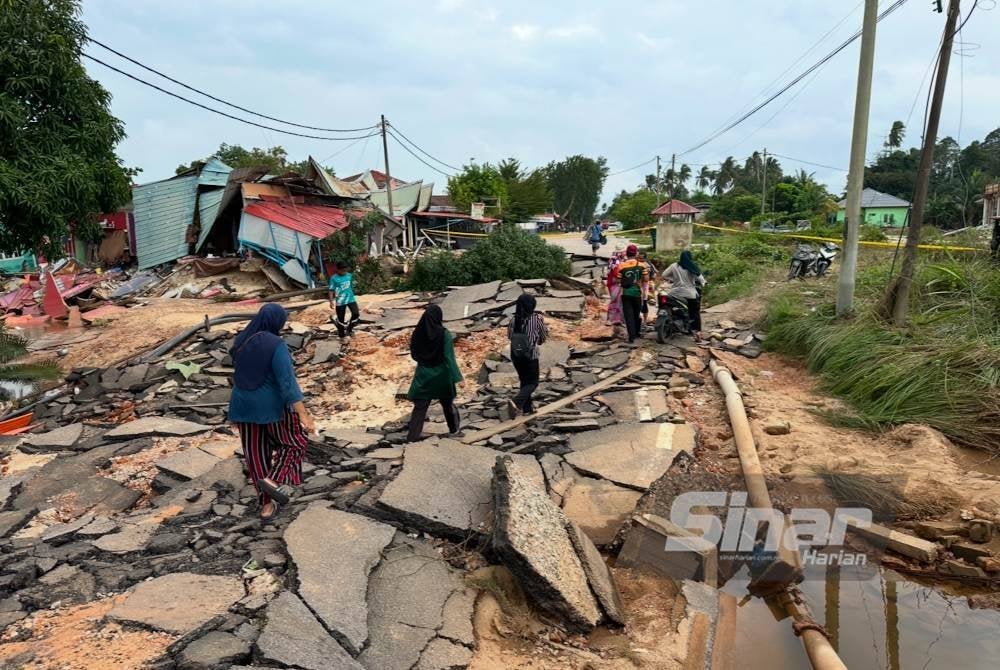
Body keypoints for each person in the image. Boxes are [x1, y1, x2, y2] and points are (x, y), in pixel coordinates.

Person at [228, 303, 316, 519]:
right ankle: (274, 480)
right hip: (271, 406)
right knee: (295, 442)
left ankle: (266, 506)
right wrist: (303, 414)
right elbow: (287, 382)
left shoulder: (241, 340)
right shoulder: (276, 344)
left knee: (256, 454)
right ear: (277, 321)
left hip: (241, 405)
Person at [407, 304, 463, 442]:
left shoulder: (418, 333)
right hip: (442, 375)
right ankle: (454, 430)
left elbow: (414, 354)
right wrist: (458, 377)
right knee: (447, 404)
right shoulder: (444, 334)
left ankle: (412, 437)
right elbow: (449, 358)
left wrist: (424, 361)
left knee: (420, 407)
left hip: (423, 374)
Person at [507, 294, 548, 416]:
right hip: (531, 355)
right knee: (533, 383)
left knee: (524, 381)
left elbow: (509, 336)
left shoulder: (513, 320)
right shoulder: (537, 319)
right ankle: (516, 401)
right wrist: (537, 341)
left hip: (516, 355)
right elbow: (543, 335)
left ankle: (527, 409)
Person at [661, 249, 707, 338]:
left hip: (675, 293)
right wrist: (704, 283)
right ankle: (696, 331)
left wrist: (674, 280)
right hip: (690, 293)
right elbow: (701, 279)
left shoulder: (674, 266)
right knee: (695, 312)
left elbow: (664, 275)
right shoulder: (692, 266)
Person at [610, 244, 649, 343]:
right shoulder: (641, 265)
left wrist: (625, 280)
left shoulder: (622, 265)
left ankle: (631, 336)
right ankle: (637, 332)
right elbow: (646, 279)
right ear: (636, 253)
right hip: (637, 293)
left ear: (626, 254)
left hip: (626, 294)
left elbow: (618, 280)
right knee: (636, 314)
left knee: (628, 315)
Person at [328, 261, 360, 338]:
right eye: (342, 270)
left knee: (356, 314)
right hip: (340, 301)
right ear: (338, 270)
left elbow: (351, 286)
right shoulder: (334, 278)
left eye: (345, 269)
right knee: (341, 319)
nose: (344, 271)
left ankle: (349, 329)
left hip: (350, 299)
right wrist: (331, 301)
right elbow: (331, 290)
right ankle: (342, 335)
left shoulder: (349, 275)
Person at [605, 244, 626, 328]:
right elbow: (615, 272)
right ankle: (610, 319)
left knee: (620, 301)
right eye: (624, 251)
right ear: (620, 252)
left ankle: (618, 319)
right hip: (614, 282)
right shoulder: (614, 259)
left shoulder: (623, 259)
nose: (625, 252)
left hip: (620, 282)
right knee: (614, 300)